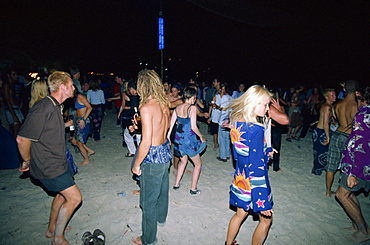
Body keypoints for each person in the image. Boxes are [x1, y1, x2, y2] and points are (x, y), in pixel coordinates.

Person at [17, 71, 82, 245]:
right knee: (75, 198)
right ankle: (58, 239)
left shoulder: (56, 105)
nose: (73, 87)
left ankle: (51, 228)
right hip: (49, 165)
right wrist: (27, 161)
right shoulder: (43, 107)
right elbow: (22, 138)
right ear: (62, 87)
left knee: (62, 195)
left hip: (60, 162)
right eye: (70, 85)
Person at [225, 85, 275, 245]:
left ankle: (228, 243)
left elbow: (243, 153)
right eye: (265, 104)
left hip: (241, 178)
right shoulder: (256, 128)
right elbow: (256, 167)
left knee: (240, 214)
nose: (268, 109)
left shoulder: (237, 121)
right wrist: (262, 200)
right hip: (254, 183)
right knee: (266, 221)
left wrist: (266, 150)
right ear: (254, 103)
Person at [131, 70, 172, 245]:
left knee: (148, 201)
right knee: (162, 190)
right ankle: (161, 218)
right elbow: (163, 128)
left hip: (153, 155)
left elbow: (146, 142)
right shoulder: (164, 103)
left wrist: (136, 164)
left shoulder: (146, 108)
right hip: (165, 150)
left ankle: (148, 239)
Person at [335, 87, 370, 243]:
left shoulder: (364, 115)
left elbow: (360, 145)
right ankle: (356, 225)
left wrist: (353, 172)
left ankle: (363, 230)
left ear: (360, 95)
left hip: (358, 165)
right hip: (359, 163)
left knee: (341, 195)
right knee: (350, 194)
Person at [168, 87, 207, 195]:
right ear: (193, 97)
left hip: (178, 139)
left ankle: (176, 184)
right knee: (198, 164)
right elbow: (194, 127)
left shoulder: (177, 107)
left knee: (183, 161)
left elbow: (171, 124)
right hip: (188, 140)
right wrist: (201, 136)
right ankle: (193, 189)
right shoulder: (192, 108)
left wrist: (168, 136)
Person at [325, 80, 359, 197]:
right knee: (348, 165)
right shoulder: (356, 106)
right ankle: (345, 191)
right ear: (356, 91)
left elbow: (335, 118)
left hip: (337, 133)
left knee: (331, 164)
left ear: (345, 89)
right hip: (348, 136)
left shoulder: (338, 105)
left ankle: (328, 191)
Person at [311, 88, 336, 175]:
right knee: (321, 152)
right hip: (321, 131)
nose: (334, 97)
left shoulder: (326, 105)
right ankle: (317, 170)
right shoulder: (327, 107)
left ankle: (316, 169)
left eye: (334, 94)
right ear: (326, 97)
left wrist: (315, 122)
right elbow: (325, 123)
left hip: (319, 130)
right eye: (332, 95)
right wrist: (328, 136)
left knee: (318, 151)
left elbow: (322, 118)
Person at [70, 88, 94, 166]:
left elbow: (90, 107)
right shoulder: (75, 98)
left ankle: (86, 160)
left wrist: (84, 119)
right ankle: (89, 150)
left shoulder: (80, 96)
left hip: (83, 121)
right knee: (74, 141)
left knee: (79, 143)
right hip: (78, 120)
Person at [2, 69, 24, 137]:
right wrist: (13, 115)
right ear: (9, 75)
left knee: (20, 129)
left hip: (17, 109)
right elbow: (7, 100)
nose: (16, 76)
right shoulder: (6, 85)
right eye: (13, 74)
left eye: (16, 74)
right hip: (12, 110)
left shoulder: (15, 84)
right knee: (15, 131)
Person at [215, 84, 232, 162]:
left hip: (222, 119)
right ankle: (227, 154)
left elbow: (222, 108)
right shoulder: (231, 97)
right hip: (228, 119)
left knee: (222, 139)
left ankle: (223, 156)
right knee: (227, 138)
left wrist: (215, 105)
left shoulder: (224, 97)